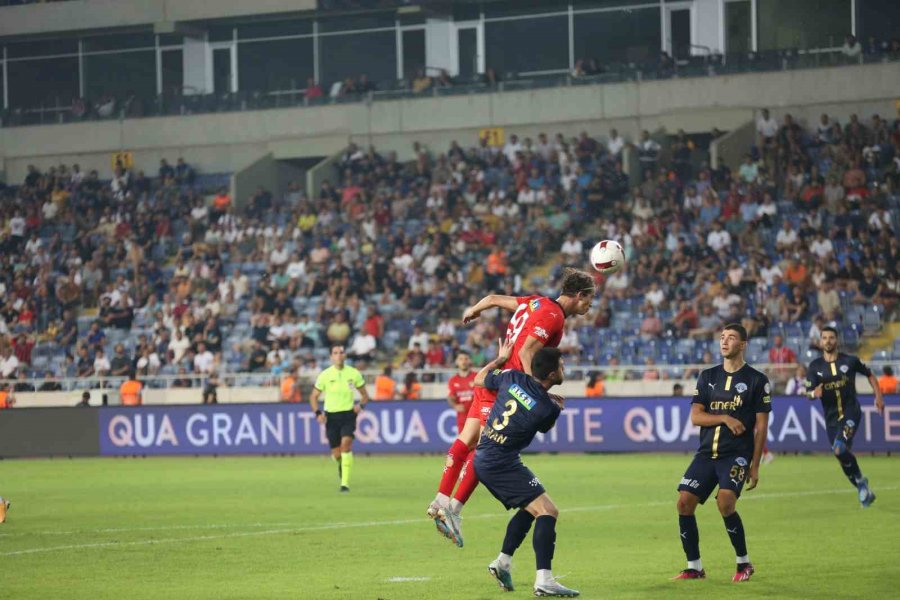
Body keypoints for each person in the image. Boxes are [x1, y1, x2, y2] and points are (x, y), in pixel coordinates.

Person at [427, 268, 596, 546]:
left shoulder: (535, 301)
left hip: (497, 376)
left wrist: (474, 309)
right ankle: (449, 508)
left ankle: (442, 502)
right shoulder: (553, 315)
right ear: (579, 295)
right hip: (507, 386)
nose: (591, 305)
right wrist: (533, 391)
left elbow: (493, 297)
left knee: (468, 440)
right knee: (484, 446)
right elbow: (527, 352)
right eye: (590, 299)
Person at [474, 340, 579, 597]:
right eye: (562, 365)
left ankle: (502, 562)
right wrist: (554, 405)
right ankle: (544, 579)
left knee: (533, 509)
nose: (565, 368)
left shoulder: (511, 377)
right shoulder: (548, 409)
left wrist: (500, 359)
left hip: (488, 456)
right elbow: (543, 423)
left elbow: (479, 379)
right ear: (552, 374)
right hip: (500, 463)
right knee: (548, 511)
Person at [674, 324, 771, 583]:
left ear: (743, 344)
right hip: (706, 454)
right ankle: (694, 567)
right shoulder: (707, 376)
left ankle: (744, 564)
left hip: (736, 455)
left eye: (731, 338)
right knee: (684, 503)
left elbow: (761, 426)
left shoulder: (757, 380)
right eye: (722, 338)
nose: (724, 342)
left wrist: (756, 465)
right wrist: (726, 418)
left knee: (725, 502)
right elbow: (696, 416)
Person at [805, 327, 884, 507]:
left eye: (831, 337)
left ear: (837, 340)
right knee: (840, 454)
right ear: (820, 342)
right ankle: (862, 487)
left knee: (839, 449)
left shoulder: (850, 361)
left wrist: (878, 396)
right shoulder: (815, 367)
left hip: (851, 411)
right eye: (824, 338)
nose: (828, 341)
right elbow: (807, 393)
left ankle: (861, 483)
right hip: (831, 418)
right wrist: (813, 393)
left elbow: (870, 375)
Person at [309, 346, 371, 492]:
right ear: (331, 357)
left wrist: (360, 406)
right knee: (337, 454)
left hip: (348, 415)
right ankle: (341, 464)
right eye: (335, 353)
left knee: (346, 444)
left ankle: (345, 484)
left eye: (341, 352)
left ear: (345, 355)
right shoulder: (325, 375)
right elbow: (313, 396)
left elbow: (365, 395)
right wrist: (318, 413)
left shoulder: (354, 373)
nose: (338, 355)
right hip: (331, 416)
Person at [447, 352, 476, 436]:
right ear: (456, 362)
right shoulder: (453, 380)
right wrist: (455, 405)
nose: (463, 361)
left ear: (470, 361)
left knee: (478, 446)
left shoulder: (477, 377)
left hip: (476, 418)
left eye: (466, 359)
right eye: (461, 359)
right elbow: (450, 397)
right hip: (462, 419)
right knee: (465, 446)